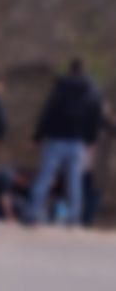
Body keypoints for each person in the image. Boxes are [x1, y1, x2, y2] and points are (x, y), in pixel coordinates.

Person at [29, 58, 102, 225]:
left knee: (45, 177)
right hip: (77, 142)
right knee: (74, 180)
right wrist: (91, 140)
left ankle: (32, 212)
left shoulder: (60, 88)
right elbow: (94, 117)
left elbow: (48, 112)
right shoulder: (90, 92)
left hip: (55, 139)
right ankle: (73, 217)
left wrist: (38, 136)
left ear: (70, 70)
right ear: (83, 71)